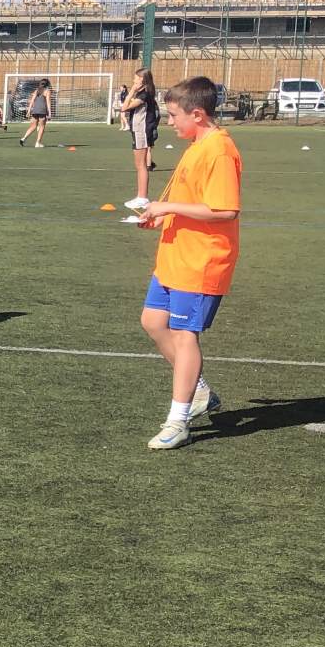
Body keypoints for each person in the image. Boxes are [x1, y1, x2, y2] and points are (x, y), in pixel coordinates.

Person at [136, 76, 241, 451]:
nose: (169, 122)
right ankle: (199, 392)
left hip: (201, 260)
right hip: (175, 256)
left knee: (184, 336)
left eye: (173, 115)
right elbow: (193, 199)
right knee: (152, 321)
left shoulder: (219, 150)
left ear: (197, 114)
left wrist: (167, 207)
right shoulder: (197, 145)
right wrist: (163, 216)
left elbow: (225, 210)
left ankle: (178, 421)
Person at [120, 67, 161, 210]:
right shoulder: (143, 93)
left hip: (142, 131)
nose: (134, 80)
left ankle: (142, 197)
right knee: (139, 165)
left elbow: (124, 108)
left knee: (141, 165)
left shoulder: (144, 94)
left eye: (136, 78)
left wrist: (131, 91)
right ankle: (140, 196)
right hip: (138, 130)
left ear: (143, 79)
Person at [21, 79, 53, 148]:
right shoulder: (47, 91)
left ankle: (23, 138)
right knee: (42, 127)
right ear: (47, 85)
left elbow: (32, 101)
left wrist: (29, 111)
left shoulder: (36, 91)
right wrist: (50, 113)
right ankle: (37, 143)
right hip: (42, 110)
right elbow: (48, 102)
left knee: (33, 126)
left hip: (35, 110)